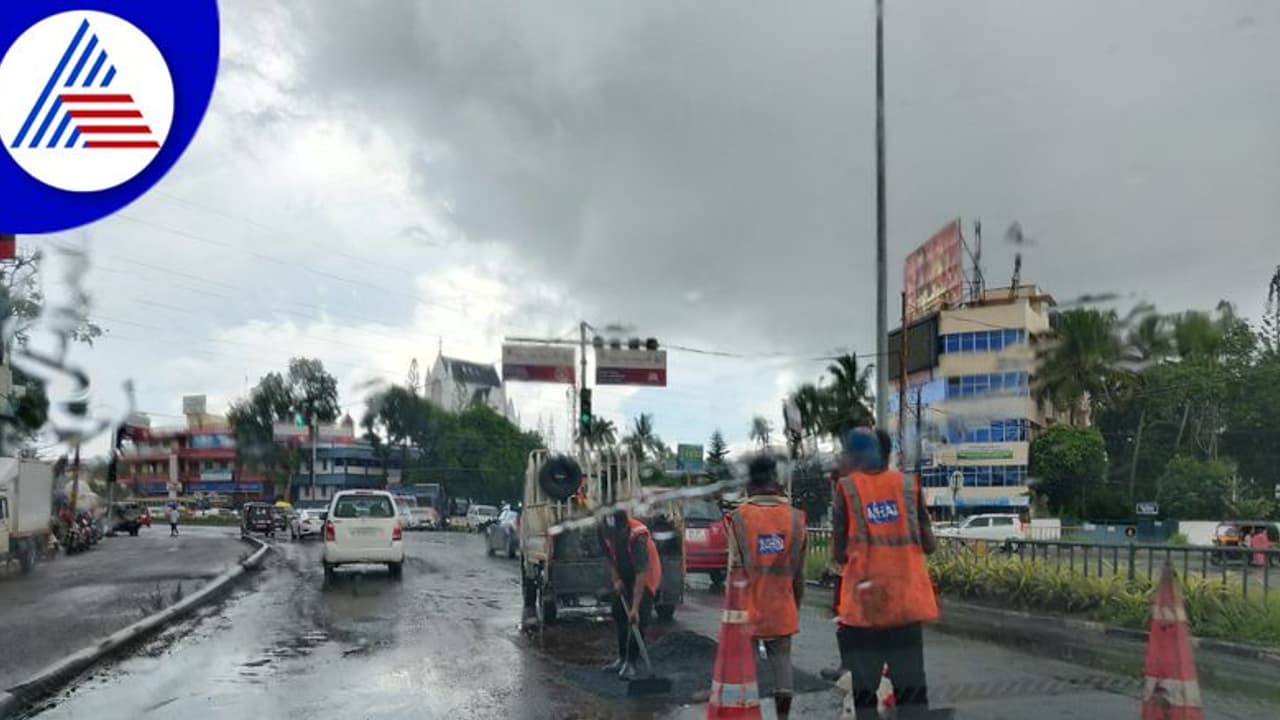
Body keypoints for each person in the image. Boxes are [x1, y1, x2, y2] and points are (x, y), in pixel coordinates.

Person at [833, 427, 938, 718]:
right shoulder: (908, 486)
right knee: (911, 691)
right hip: (905, 604)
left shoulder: (847, 488)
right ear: (886, 453)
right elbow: (929, 545)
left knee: (865, 691)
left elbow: (838, 554)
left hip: (865, 608)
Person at [725, 455, 806, 720]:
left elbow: (734, 571)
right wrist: (795, 604)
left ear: (750, 483)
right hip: (782, 605)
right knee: (782, 663)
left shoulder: (738, 518)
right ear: (776, 481)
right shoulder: (796, 519)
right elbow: (799, 574)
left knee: (746, 671)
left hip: (747, 609)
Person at [599, 509, 662, 679]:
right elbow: (611, 558)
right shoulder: (604, 531)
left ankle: (631, 662)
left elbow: (641, 574)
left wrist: (634, 608)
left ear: (624, 527)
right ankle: (621, 658)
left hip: (646, 575)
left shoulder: (637, 536)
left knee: (637, 619)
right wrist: (617, 579)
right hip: (624, 571)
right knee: (619, 613)